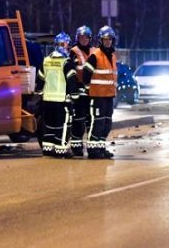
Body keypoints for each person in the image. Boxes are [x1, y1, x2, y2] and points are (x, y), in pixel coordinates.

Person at [35, 32, 78, 158]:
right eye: (67, 45)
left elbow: (40, 79)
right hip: (62, 100)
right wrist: (74, 96)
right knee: (63, 125)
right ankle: (61, 149)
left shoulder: (46, 60)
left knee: (49, 125)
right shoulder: (66, 62)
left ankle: (48, 147)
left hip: (47, 100)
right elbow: (71, 82)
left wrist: (40, 93)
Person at [83, 26, 117, 159]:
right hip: (97, 96)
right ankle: (93, 150)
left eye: (110, 39)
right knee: (97, 123)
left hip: (109, 96)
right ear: (100, 40)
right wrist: (88, 89)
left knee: (107, 124)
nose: (108, 42)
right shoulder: (95, 55)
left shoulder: (112, 55)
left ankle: (101, 147)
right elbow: (86, 74)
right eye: (105, 39)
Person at [68, 25, 94, 157]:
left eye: (86, 37)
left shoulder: (94, 51)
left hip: (93, 91)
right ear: (77, 38)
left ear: (90, 38)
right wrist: (73, 89)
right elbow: (71, 72)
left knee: (92, 120)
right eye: (81, 37)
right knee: (79, 120)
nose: (84, 40)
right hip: (79, 91)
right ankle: (76, 146)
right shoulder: (74, 51)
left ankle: (92, 147)